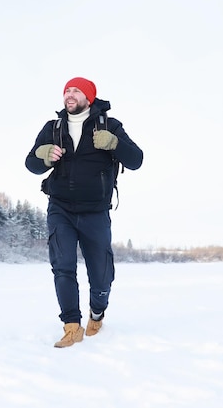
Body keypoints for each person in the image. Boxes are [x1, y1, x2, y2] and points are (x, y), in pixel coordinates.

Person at [25, 77, 143, 348]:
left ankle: (97, 313)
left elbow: (136, 160)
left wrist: (114, 143)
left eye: (76, 90)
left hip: (95, 211)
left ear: (89, 97)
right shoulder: (53, 128)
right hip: (60, 207)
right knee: (62, 265)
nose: (70, 94)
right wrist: (42, 156)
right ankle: (71, 326)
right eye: (67, 90)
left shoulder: (109, 126)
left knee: (101, 273)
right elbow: (31, 164)